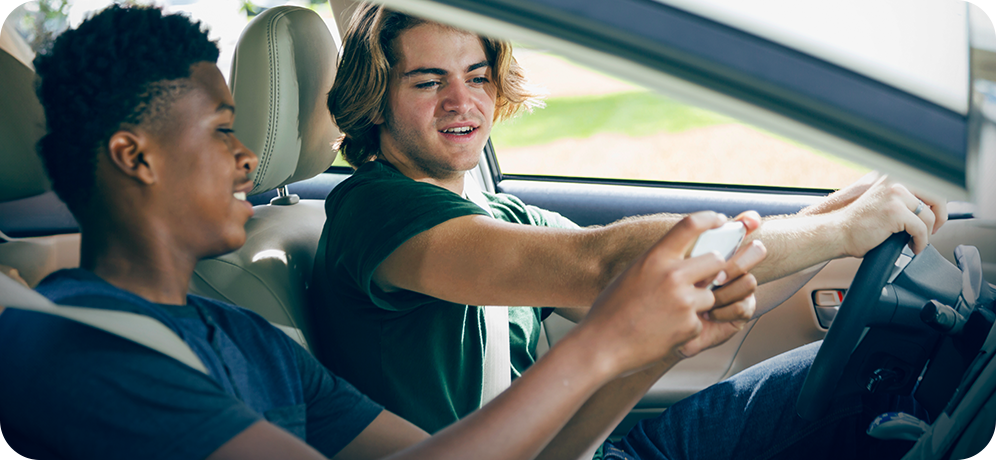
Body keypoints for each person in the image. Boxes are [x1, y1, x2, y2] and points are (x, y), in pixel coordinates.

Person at [0, 5, 836, 460]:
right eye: (222, 130)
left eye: (477, 76)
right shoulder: (75, 355)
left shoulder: (246, 338)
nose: (249, 153)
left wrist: (647, 352)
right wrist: (603, 342)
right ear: (134, 156)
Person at [319, 1, 946, 439]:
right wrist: (842, 229)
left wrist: (843, 207)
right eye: (428, 83)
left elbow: (703, 283)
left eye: (477, 77)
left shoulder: (498, 213)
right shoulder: (376, 210)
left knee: (883, 367)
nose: (463, 100)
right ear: (375, 101)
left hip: (590, 448)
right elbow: (609, 266)